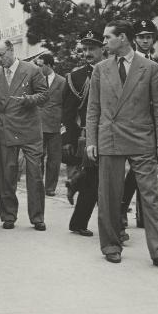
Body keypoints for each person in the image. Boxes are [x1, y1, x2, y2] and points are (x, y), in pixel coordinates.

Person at [86, 20, 158, 268]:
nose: (103, 42)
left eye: (107, 37)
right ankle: (111, 245)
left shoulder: (150, 68)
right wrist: (91, 141)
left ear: (122, 38)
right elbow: (93, 109)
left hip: (142, 138)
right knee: (109, 197)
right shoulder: (100, 69)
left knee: (150, 197)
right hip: (110, 137)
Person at [0, 40, 48, 231]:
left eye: (2, 55)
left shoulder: (31, 70)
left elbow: (44, 95)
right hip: (5, 130)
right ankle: (8, 216)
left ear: (11, 50)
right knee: (6, 174)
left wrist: (28, 99)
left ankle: (37, 217)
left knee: (35, 175)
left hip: (29, 129)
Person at [121, 19, 158, 229]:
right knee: (132, 170)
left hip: (150, 128)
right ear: (134, 39)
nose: (145, 40)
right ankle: (121, 208)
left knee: (143, 170)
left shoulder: (156, 65)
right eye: (141, 36)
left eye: (148, 36)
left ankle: (136, 212)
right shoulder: (127, 63)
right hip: (129, 125)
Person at [62, 30, 104, 237]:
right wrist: (68, 140)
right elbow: (68, 111)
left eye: (92, 48)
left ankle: (75, 184)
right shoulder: (75, 77)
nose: (87, 53)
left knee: (94, 180)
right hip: (87, 136)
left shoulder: (113, 71)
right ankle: (116, 226)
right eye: (85, 49)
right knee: (97, 180)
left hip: (114, 133)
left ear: (103, 49)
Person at [35, 53, 66, 196]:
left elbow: (66, 104)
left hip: (55, 125)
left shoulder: (63, 81)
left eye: (41, 65)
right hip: (38, 124)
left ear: (49, 65)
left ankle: (50, 188)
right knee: (37, 156)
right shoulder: (36, 80)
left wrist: (64, 123)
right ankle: (38, 185)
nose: (38, 68)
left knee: (54, 158)